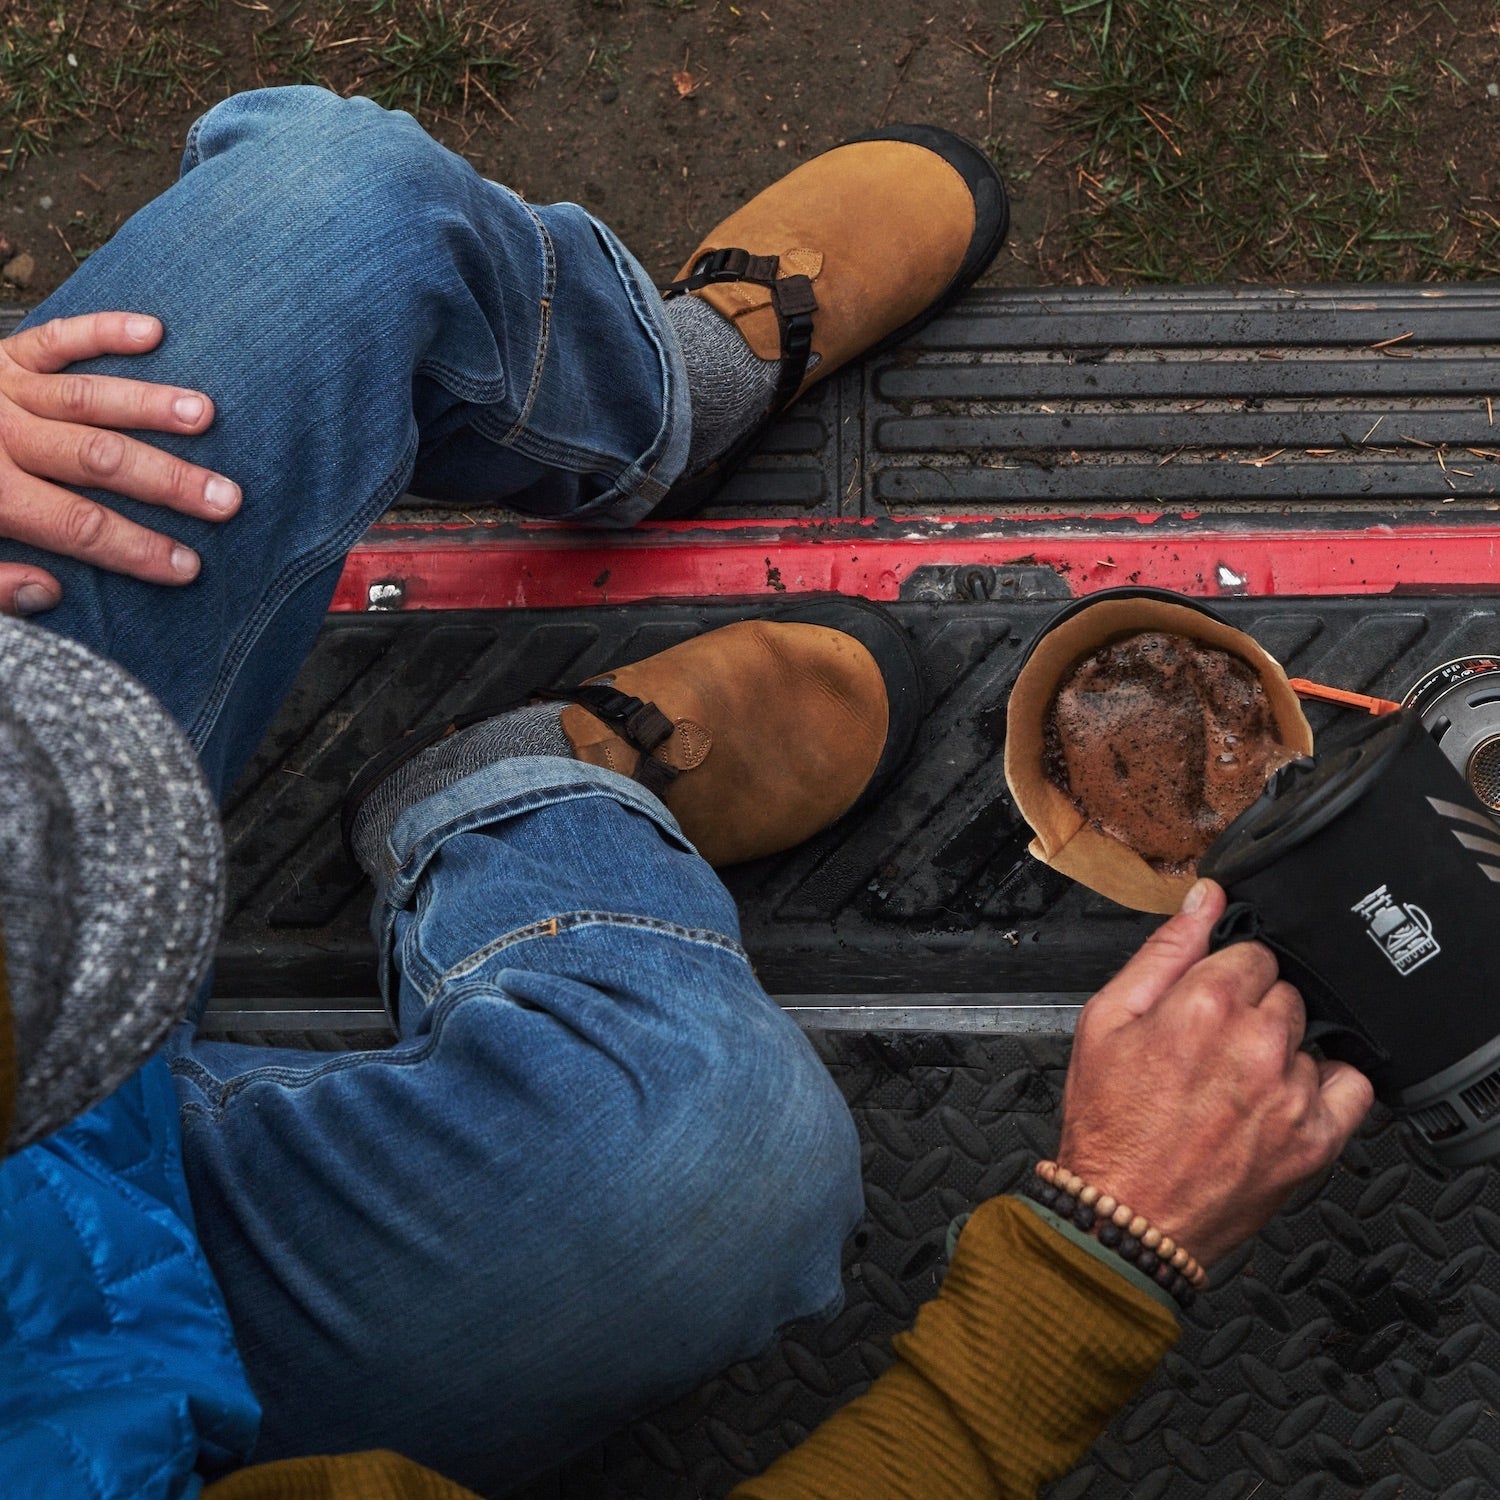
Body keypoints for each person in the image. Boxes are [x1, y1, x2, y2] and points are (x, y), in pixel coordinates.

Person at [0, 87, 1375, 1499]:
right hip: (92, 1378)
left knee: (344, 209)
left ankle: (653, 402)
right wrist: (1099, 1266)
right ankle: (507, 796)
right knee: (722, 1169)